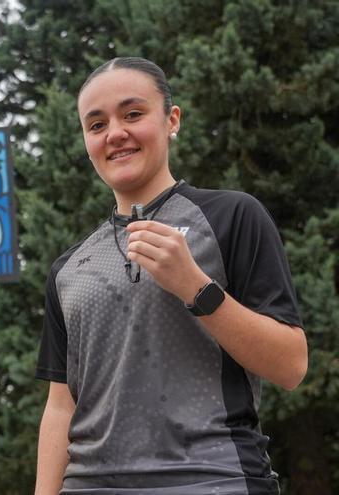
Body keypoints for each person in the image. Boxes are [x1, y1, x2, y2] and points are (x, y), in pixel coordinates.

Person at [34, 58, 308, 495]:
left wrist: (196, 288)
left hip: (213, 480)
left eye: (133, 114)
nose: (116, 133)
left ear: (171, 120)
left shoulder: (232, 216)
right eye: (97, 124)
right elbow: (61, 406)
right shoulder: (68, 268)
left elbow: (291, 365)